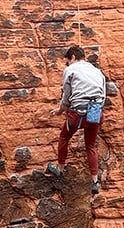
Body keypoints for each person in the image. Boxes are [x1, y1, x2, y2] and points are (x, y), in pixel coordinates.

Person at [46, 45, 107, 194]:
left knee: (64, 138)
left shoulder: (70, 70)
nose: (68, 64)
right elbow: (103, 95)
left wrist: (61, 110)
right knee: (91, 146)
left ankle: (60, 169)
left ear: (72, 58)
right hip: (95, 112)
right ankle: (94, 182)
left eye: (68, 61)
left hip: (78, 114)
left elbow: (66, 95)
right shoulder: (97, 71)